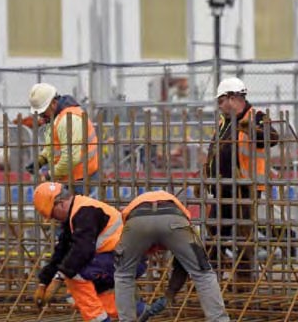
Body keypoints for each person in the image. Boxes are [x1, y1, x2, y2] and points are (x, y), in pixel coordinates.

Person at [31, 182, 146, 322]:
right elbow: (61, 253)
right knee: (74, 296)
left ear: (60, 203)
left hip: (126, 259)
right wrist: (43, 282)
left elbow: (82, 250)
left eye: (52, 214)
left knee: (75, 275)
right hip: (116, 259)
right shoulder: (75, 215)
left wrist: (58, 278)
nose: (53, 219)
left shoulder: (85, 212)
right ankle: (135, 309)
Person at [204, 77, 279, 283]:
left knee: (243, 235)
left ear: (232, 97)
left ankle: (244, 282)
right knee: (214, 233)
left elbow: (272, 138)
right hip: (222, 188)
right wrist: (207, 177)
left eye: (221, 101)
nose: (219, 106)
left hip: (246, 187)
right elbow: (215, 152)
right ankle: (212, 280)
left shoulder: (256, 117)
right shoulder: (224, 122)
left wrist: (251, 129)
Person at [114, 190, 230, 322]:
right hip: (174, 218)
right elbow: (183, 265)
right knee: (203, 273)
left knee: (123, 275)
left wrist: (170, 294)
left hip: (136, 220)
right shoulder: (183, 223)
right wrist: (170, 294)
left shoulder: (127, 223)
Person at [27, 83, 99, 197]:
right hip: (72, 177)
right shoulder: (57, 118)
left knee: (81, 213)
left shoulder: (68, 119)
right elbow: (54, 146)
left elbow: (70, 157)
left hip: (81, 179)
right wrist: (41, 160)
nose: (41, 117)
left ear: (53, 103)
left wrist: (49, 175)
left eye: (42, 112)